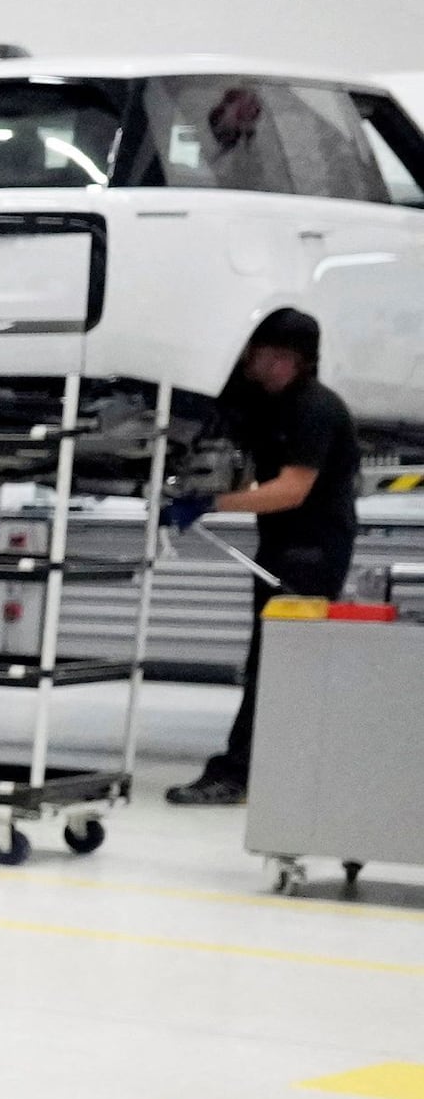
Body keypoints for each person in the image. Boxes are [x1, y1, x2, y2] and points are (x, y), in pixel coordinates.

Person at [165, 303, 361, 810]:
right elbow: (251, 474)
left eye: (257, 353)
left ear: (285, 358)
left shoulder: (315, 409)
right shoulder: (267, 405)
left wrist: (212, 503)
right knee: (271, 662)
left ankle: (238, 774)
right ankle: (270, 770)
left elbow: (291, 490)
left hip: (313, 552)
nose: (248, 361)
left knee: (275, 664)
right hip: (279, 546)